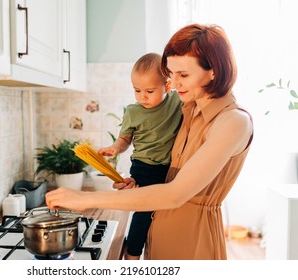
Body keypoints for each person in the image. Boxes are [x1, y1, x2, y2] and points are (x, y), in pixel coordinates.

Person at [46, 23, 254, 260]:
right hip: (156, 237)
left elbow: (176, 193)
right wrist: (140, 187)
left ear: (213, 71)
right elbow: (167, 179)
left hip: (192, 244)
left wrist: (85, 198)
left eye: (183, 75)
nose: (174, 84)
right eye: (171, 74)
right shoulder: (188, 110)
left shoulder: (233, 121)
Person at [98, 52, 182, 260]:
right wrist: (115, 148)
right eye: (137, 90)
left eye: (149, 91)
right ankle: (133, 252)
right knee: (144, 211)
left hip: (169, 168)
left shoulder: (176, 101)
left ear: (167, 86)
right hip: (143, 167)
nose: (142, 96)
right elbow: (124, 139)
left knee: (163, 213)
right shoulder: (133, 112)